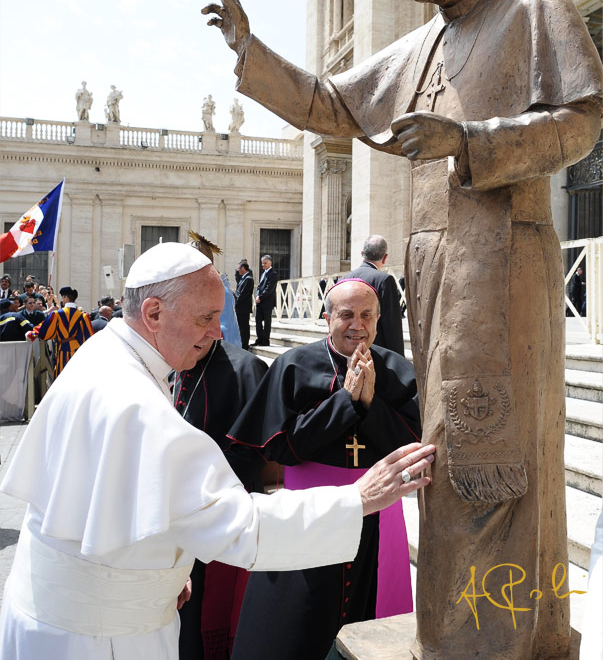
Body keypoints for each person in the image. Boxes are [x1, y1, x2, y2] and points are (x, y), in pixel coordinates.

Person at [203, 0, 602, 660]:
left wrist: (470, 140)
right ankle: (456, 633)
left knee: (490, 457)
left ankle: (497, 637)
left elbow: (582, 122)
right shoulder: (418, 44)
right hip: (433, 275)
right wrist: (250, 51)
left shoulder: (532, 10)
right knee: (451, 460)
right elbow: (330, 104)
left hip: (499, 268)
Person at [0, 242, 435, 660]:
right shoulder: (137, 405)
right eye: (206, 317)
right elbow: (238, 526)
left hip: (67, 610)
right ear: (153, 313)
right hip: (98, 636)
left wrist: (160, 571)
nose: (218, 331)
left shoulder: (101, 355)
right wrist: (357, 498)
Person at [228, 279, 421, 660]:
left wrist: (371, 406)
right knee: (300, 620)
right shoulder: (293, 366)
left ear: (379, 319)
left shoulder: (397, 370)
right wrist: (346, 404)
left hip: (381, 515)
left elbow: (413, 443)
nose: (357, 324)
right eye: (346, 315)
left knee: (374, 616)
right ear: (326, 317)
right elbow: (280, 445)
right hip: (310, 508)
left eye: (367, 315)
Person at [173, 331, 267, 659]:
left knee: (208, 611)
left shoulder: (246, 368)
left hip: (221, 512)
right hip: (174, 515)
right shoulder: (170, 363)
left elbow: (256, 448)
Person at [342, 235, 405, 356]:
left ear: (362, 254)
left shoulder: (344, 279)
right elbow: (392, 327)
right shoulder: (384, 280)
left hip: (346, 351)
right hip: (375, 354)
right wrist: (398, 361)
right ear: (385, 258)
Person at [33, 285, 93, 376]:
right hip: (77, 350)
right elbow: (88, 336)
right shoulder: (83, 316)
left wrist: (33, 333)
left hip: (63, 349)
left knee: (62, 374)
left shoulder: (57, 314)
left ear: (66, 298)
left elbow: (45, 329)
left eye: (63, 297)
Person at [254, 254, 277, 346]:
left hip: (267, 302)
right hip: (259, 302)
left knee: (267, 322)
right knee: (258, 321)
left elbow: (269, 288)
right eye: (262, 263)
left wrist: (261, 297)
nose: (263, 265)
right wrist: (257, 295)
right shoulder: (263, 274)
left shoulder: (273, 274)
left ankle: (265, 341)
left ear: (270, 263)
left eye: (265, 263)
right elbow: (259, 287)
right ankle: (259, 339)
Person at [234, 261, 254, 350]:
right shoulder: (242, 278)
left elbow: (243, 294)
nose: (238, 270)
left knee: (244, 328)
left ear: (243, 268)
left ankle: (245, 346)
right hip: (240, 308)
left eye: (239, 269)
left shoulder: (248, 279)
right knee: (240, 327)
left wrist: (236, 303)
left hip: (243, 308)